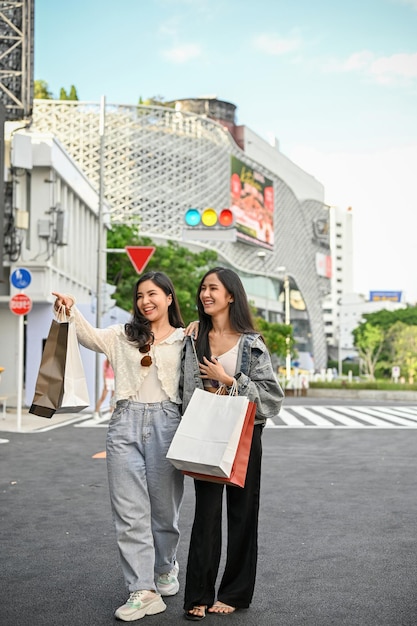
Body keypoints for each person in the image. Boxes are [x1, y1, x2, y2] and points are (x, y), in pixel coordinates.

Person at [52, 271, 185, 622]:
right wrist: (71, 307)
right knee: (129, 512)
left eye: (153, 294)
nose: (146, 301)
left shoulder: (187, 338)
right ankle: (142, 590)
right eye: (140, 295)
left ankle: (165, 564)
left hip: (169, 425)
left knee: (164, 511)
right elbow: (88, 336)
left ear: (170, 298)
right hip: (124, 423)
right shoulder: (123, 335)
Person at [180, 267, 284, 621]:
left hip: (243, 433)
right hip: (205, 430)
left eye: (213, 288)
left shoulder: (252, 343)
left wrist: (231, 379)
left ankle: (235, 593)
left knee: (242, 513)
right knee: (205, 515)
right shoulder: (193, 338)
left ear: (230, 296)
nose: (205, 294)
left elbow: (272, 398)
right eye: (203, 289)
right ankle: (198, 593)